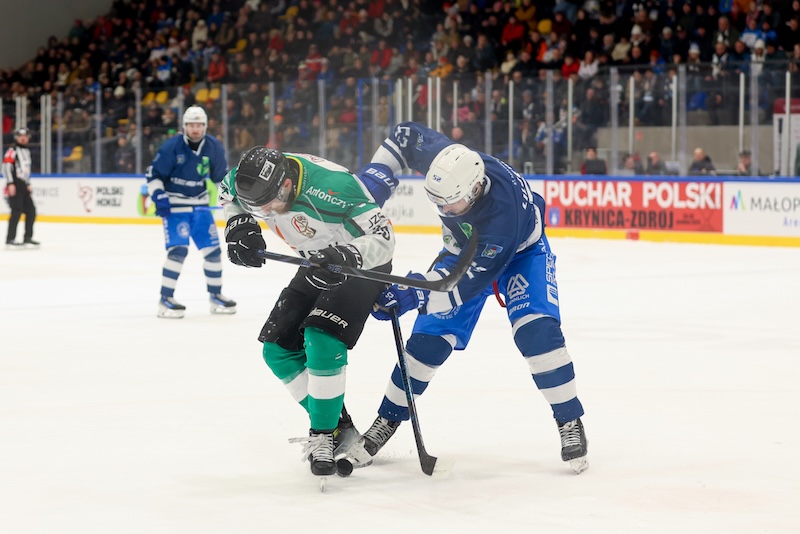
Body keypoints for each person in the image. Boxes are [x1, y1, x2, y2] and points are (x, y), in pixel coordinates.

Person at [362, 123, 589, 474]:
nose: (446, 211)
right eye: (438, 204)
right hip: (463, 252)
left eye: (451, 204)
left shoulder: (503, 218)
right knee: (426, 344)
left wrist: (412, 293)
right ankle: (387, 419)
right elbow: (404, 135)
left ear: (476, 188)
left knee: (537, 333)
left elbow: (457, 288)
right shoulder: (450, 163)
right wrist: (378, 175)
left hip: (520, 256)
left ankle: (569, 419)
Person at [220, 146, 397, 478]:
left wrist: (345, 257)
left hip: (359, 263)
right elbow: (226, 192)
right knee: (277, 350)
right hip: (317, 261)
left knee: (321, 336)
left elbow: (383, 240)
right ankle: (338, 427)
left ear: (286, 184)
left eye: (269, 204)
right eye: (258, 210)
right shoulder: (248, 178)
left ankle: (322, 436)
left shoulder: (335, 188)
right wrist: (238, 223)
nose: (268, 213)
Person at [145, 105, 235, 318]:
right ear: (185, 126)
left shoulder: (213, 146)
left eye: (199, 125)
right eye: (191, 125)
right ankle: (165, 299)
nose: (195, 129)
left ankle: (216, 296)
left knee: (213, 252)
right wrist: (159, 196)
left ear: (204, 126)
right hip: (176, 209)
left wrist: (233, 195)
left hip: (201, 207)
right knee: (178, 251)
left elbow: (220, 177)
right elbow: (154, 174)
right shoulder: (172, 146)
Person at [4, 128, 39, 249]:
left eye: (25, 136)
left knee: (31, 211)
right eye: (20, 136)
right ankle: (10, 239)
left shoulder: (27, 151)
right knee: (16, 211)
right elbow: (6, 167)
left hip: (23, 185)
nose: (23, 138)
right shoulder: (12, 150)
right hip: (15, 184)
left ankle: (27, 238)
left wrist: (28, 183)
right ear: (16, 137)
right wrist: (10, 183)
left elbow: (25, 170)